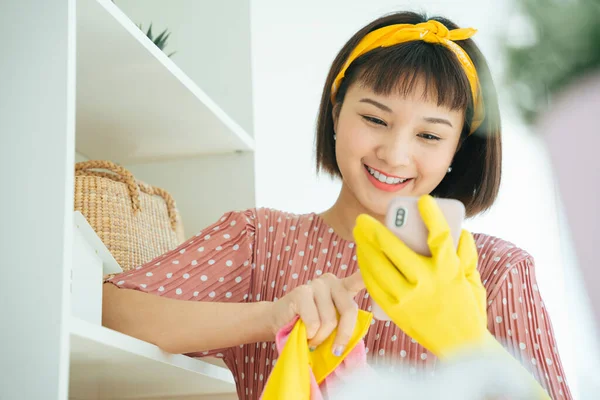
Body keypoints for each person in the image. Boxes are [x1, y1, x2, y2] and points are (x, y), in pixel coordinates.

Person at [102, 11, 572, 399]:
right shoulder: (260, 241)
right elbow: (110, 311)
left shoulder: (498, 271)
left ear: (457, 151)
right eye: (374, 118)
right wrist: (271, 316)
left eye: (429, 134)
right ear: (335, 111)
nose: (394, 153)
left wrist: (466, 340)